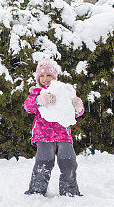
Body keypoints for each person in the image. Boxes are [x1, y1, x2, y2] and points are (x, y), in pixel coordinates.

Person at [23, 58, 85, 196]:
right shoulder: (36, 92)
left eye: (49, 75)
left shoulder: (63, 91)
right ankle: (37, 191)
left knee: (68, 161)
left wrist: (78, 107)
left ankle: (70, 191)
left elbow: (76, 113)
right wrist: (39, 100)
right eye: (42, 76)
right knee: (44, 161)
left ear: (55, 77)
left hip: (63, 135)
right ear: (38, 78)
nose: (45, 79)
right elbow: (28, 106)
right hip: (43, 135)